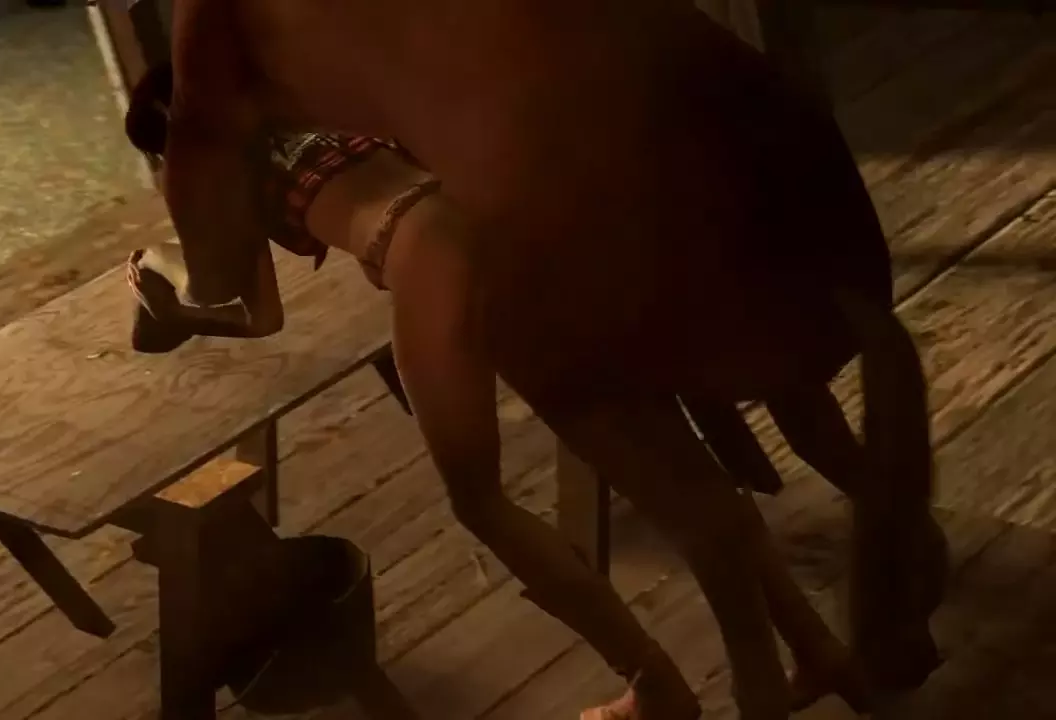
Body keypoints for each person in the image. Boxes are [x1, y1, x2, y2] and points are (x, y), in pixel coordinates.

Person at [121, 63, 927, 720]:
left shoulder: (215, 164)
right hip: (513, 223)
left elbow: (254, 315)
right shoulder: (318, 100)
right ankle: (816, 648)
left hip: (427, 253)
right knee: (679, 472)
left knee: (481, 500)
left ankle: (655, 682)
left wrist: (159, 279)